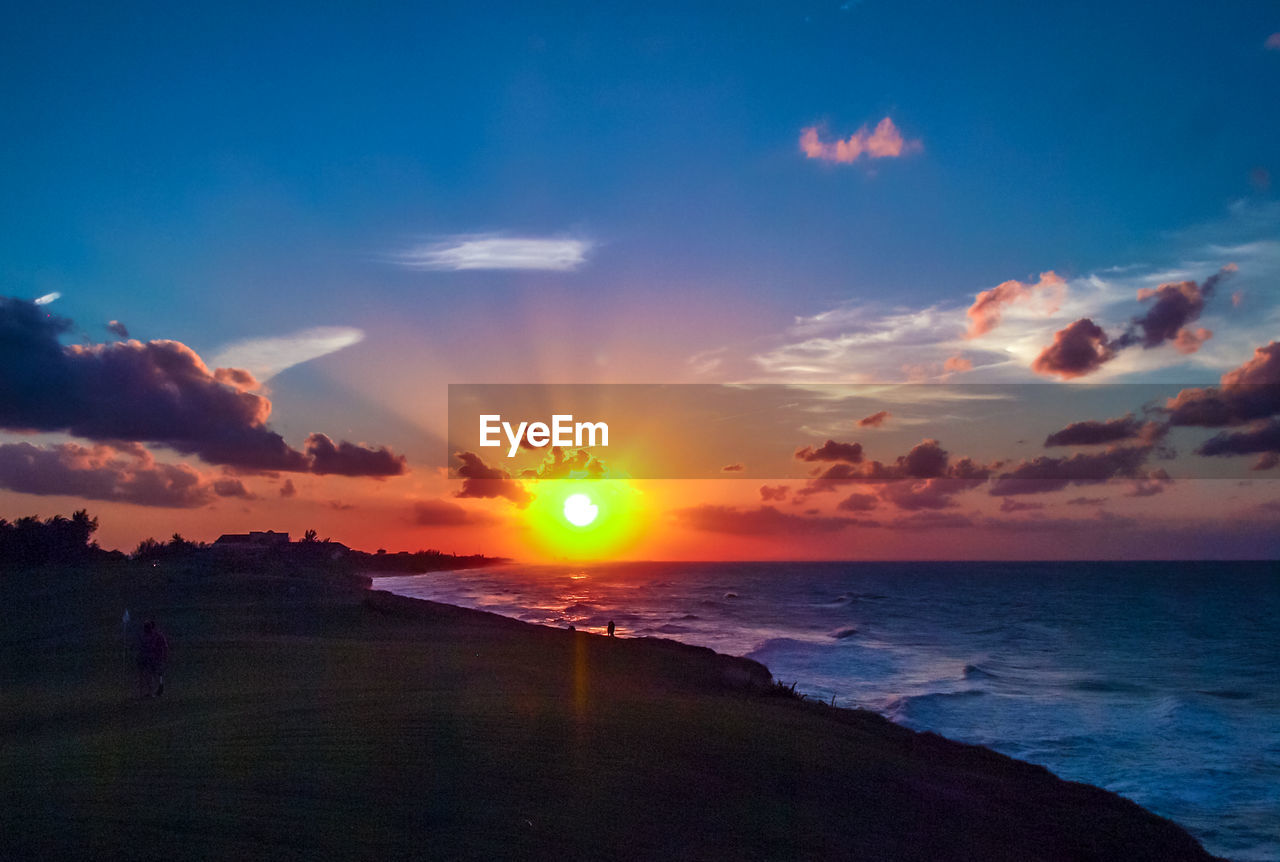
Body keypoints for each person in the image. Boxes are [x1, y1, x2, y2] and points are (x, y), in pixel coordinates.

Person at [137, 620, 169, 697]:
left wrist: (164, 655)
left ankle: (156, 690)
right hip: (149, 658)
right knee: (150, 675)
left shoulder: (157, 635)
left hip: (156, 657)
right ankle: (151, 691)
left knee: (155, 674)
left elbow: (164, 646)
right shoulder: (146, 636)